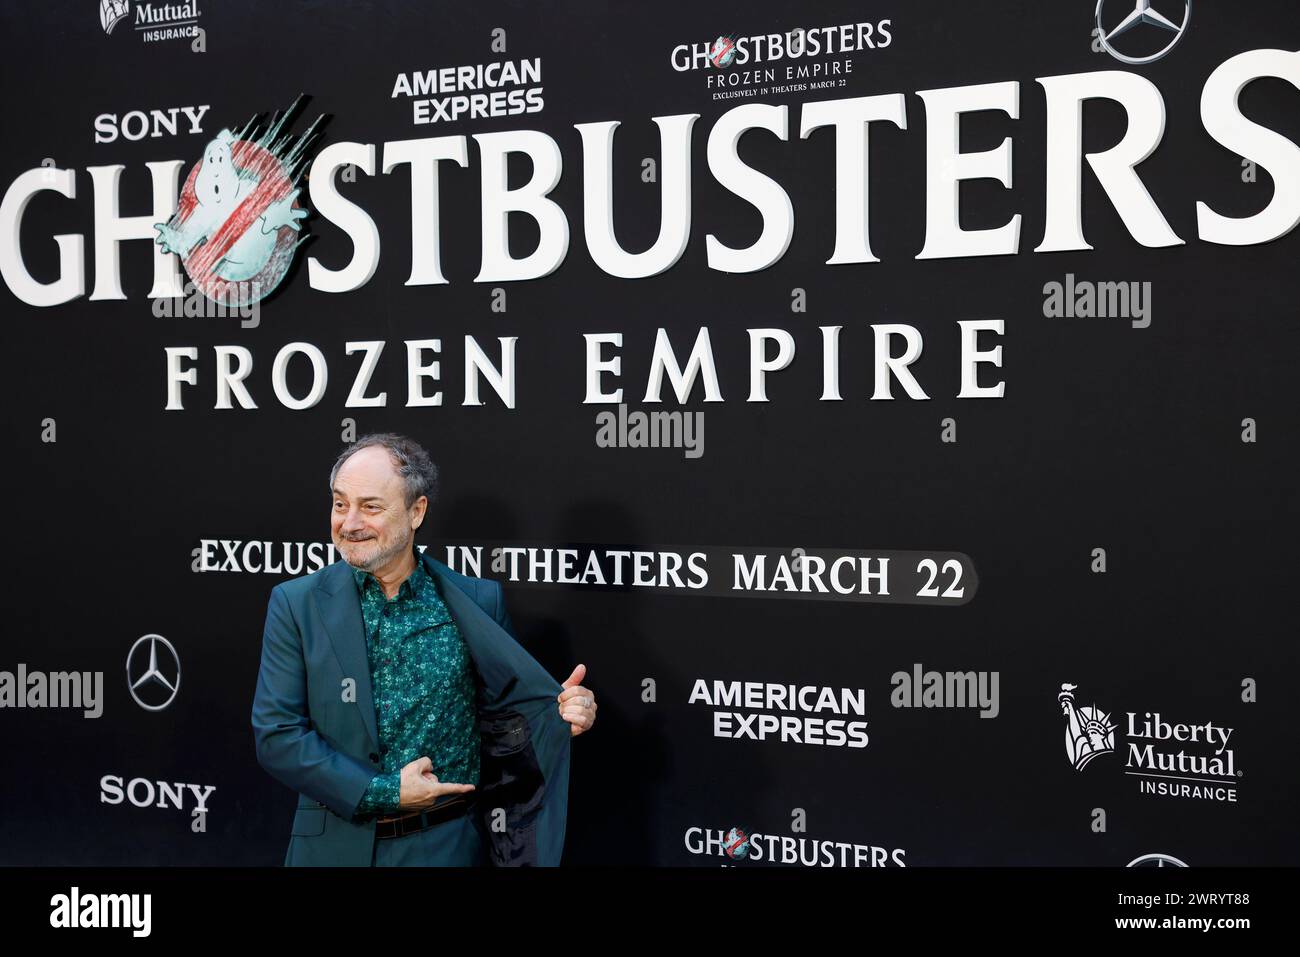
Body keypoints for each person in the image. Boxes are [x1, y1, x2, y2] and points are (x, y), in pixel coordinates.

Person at [251, 433, 597, 865]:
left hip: (444, 847)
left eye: (371, 506)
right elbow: (278, 736)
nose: (349, 521)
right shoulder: (296, 603)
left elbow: (505, 722)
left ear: (417, 512)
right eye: (340, 504)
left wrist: (561, 713)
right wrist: (384, 792)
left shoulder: (477, 601)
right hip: (332, 847)